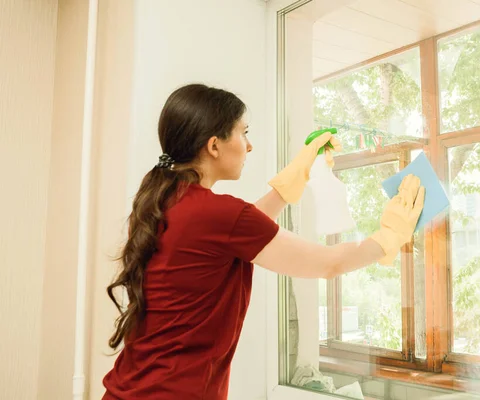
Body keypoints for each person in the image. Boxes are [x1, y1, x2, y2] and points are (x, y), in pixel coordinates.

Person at [101, 83, 425, 400]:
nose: (249, 145)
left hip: (132, 388)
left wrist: (295, 177)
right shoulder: (217, 214)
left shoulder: (163, 200)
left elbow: (234, 233)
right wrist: (390, 235)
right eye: (244, 133)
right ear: (214, 146)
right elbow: (328, 263)